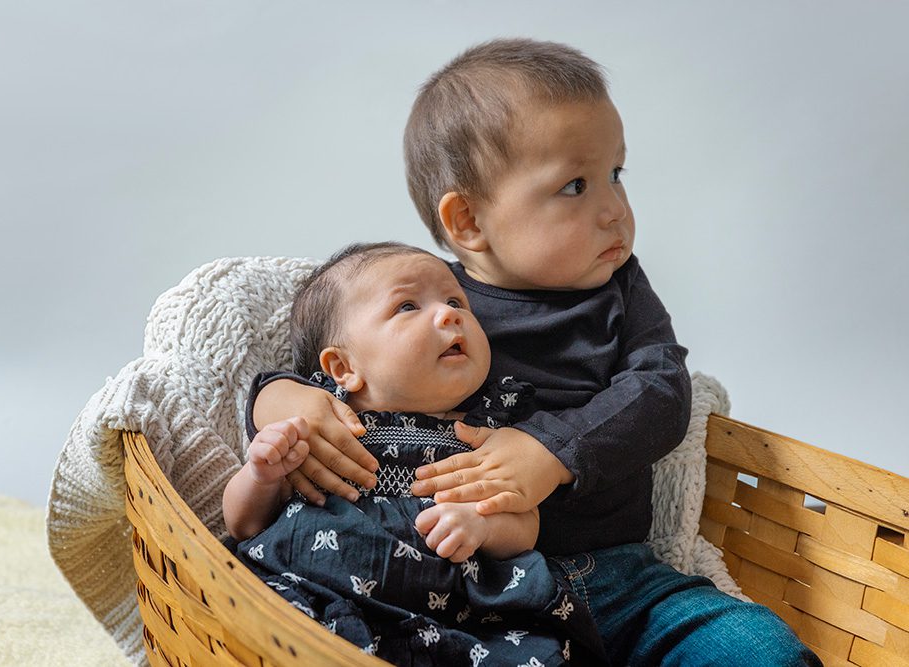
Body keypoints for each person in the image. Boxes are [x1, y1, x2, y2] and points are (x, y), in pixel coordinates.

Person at [249, 39, 821, 666]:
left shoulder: (620, 292)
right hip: (465, 589)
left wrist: (551, 451)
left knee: (755, 646)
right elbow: (332, 365)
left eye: (616, 175)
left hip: (616, 577)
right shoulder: (432, 301)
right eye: (575, 185)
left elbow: (660, 391)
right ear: (467, 221)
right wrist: (281, 400)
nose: (615, 211)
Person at [225, 241, 605, 666]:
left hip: (454, 617)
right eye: (407, 306)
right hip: (318, 591)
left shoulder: (489, 427)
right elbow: (244, 525)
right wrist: (260, 475)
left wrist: (482, 524)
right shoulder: (324, 424)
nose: (450, 314)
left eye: (455, 300)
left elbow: (525, 522)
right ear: (343, 368)